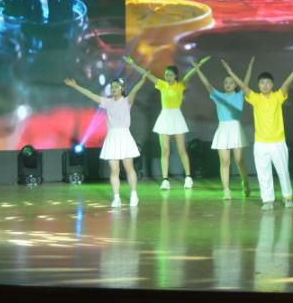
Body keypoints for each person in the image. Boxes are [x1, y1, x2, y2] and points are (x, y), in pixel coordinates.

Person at [224, 54, 293, 209]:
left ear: (272, 85)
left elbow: (287, 83)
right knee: (263, 173)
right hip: (261, 143)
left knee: (283, 171)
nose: (265, 85)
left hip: (278, 142)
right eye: (262, 83)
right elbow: (242, 86)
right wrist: (230, 72)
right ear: (258, 85)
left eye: (268, 83)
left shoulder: (278, 96)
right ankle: (267, 200)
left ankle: (287, 197)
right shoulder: (255, 98)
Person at [125, 56, 209, 190]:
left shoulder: (180, 85)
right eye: (166, 75)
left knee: (182, 150)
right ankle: (165, 180)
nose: (167, 77)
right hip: (164, 118)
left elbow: (191, 73)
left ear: (175, 75)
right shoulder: (162, 85)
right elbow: (146, 74)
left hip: (177, 117)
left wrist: (199, 64)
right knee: (165, 151)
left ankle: (188, 178)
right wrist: (133, 64)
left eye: (170, 74)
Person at [64, 73, 146, 208]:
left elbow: (135, 89)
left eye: (116, 87)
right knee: (114, 170)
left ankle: (133, 195)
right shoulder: (107, 102)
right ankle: (116, 198)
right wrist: (75, 86)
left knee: (129, 168)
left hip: (124, 136)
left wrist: (142, 80)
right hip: (112, 137)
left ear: (122, 89)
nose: (114, 89)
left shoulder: (127, 101)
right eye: (112, 87)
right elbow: (90, 94)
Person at [189, 58, 251, 200]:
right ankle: (226, 190)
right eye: (226, 82)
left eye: (231, 82)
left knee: (239, 160)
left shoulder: (239, 95)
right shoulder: (218, 96)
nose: (228, 84)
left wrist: (250, 66)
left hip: (235, 129)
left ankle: (245, 182)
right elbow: (207, 84)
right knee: (224, 162)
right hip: (223, 129)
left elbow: (245, 82)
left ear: (236, 84)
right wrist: (197, 69)